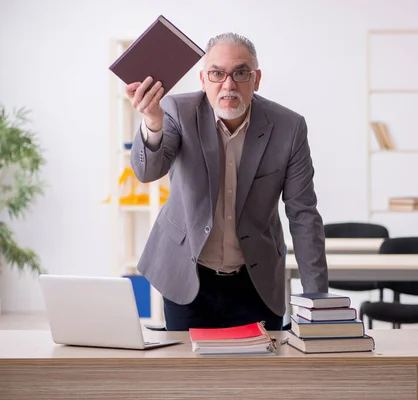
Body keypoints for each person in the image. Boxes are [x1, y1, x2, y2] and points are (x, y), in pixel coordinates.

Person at [125, 32, 328, 331]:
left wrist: (317, 300)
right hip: (186, 274)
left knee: (255, 376)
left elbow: (303, 215)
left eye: (240, 73)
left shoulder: (289, 127)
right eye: (217, 73)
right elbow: (147, 172)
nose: (228, 85)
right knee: (190, 376)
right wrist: (153, 122)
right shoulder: (177, 112)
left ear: (256, 79)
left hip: (255, 281)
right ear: (203, 79)